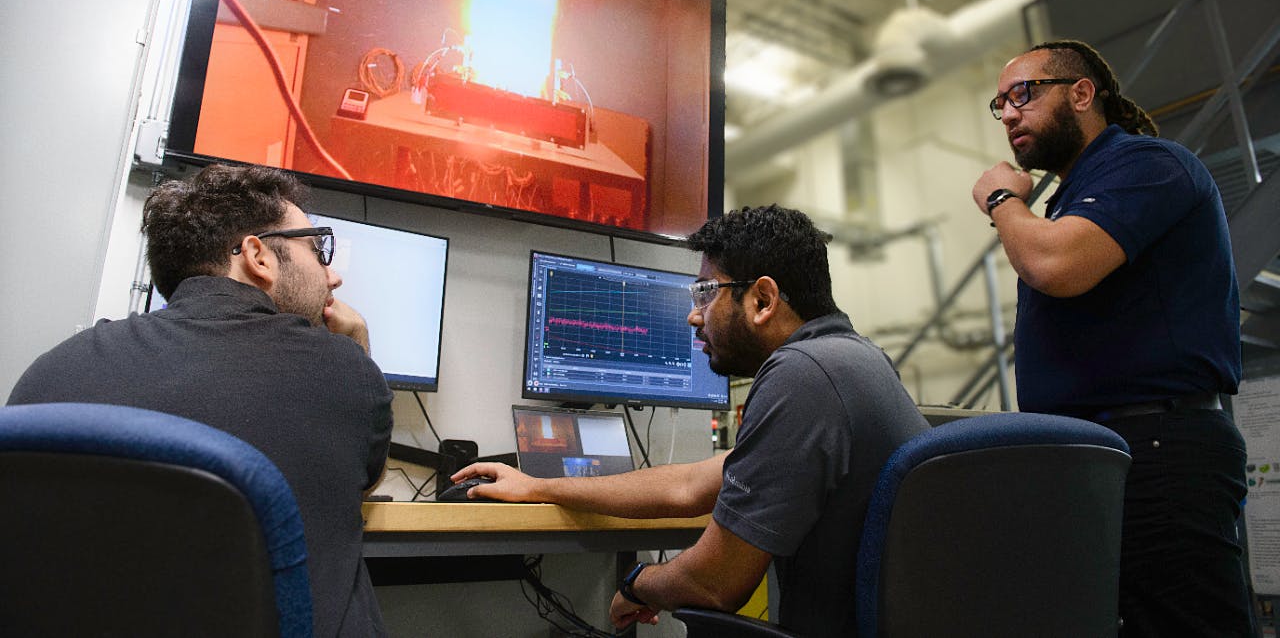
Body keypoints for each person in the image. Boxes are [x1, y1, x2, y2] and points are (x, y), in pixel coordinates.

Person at [453, 204, 929, 635]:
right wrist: (537, 487)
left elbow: (716, 584)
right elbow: (688, 485)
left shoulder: (801, 375)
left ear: (762, 300)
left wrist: (640, 583)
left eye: (705, 293)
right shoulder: (853, 359)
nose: (693, 317)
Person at [8, 164, 394, 638]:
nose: (331, 275)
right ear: (258, 255)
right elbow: (364, 484)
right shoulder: (341, 368)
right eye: (318, 249)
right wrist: (356, 344)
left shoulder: (52, 369)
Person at [971, 40, 1251, 636]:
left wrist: (1001, 200)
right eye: (1000, 104)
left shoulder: (1147, 164)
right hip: (1108, 450)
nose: (1010, 114)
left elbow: (1056, 266)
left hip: (1158, 448)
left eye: (1023, 93)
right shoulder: (1072, 195)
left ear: (1081, 94)